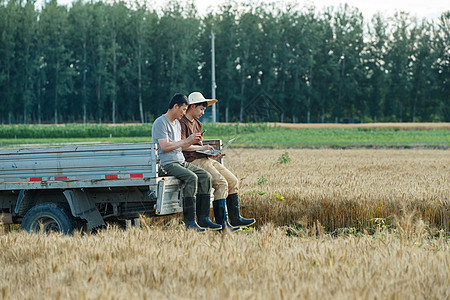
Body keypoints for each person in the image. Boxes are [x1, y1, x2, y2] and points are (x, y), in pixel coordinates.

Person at [180, 92, 256, 231]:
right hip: (192, 160)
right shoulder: (181, 123)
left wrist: (210, 152)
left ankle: (235, 218)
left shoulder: (198, 124)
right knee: (221, 183)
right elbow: (183, 146)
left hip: (204, 158)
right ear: (192, 106)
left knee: (233, 181)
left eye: (204, 109)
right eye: (201, 109)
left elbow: (198, 145)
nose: (203, 112)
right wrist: (203, 147)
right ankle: (223, 224)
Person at [152, 93, 222, 232]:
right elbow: (165, 147)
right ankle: (190, 222)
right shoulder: (160, 122)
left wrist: (195, 143)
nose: (184, 113)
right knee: (192, 177)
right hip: (168, 163)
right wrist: (187, 141)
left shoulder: (177, 123)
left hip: (180, 161)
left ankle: (204, 218)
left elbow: (181, 145)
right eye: (184, 109)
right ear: (175, 106)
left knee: (205, 177)